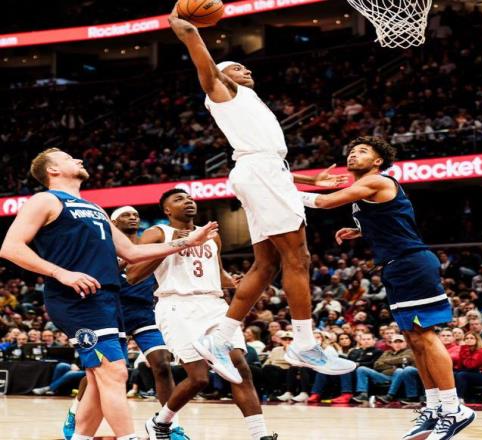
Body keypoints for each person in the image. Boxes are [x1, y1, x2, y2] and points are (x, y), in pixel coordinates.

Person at [167, 5, 355, 383]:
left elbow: (265, 159)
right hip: (260, 173)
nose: (246, 70)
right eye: (237, 67)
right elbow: (199, 53)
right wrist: (181, 23)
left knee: (265, 265)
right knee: (298, 257)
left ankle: (219, 339)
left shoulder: (248, 103)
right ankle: (304, 342)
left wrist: (309, 180)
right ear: (222, 75)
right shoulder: (221, 90)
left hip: (263, 172)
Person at [0, 148, 218, 440]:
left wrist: (188, 241)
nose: (78, 160)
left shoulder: (95, 208)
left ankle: (80, 437)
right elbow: (10, 247)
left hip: (109, 299)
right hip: (77, 298)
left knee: (98, 377)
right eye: (69, 158)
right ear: (53, 170)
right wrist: (61, 273)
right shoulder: (45, 200)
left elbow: (132, 252)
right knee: (115, 373)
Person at [300, 136, 475, 440]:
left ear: (378, 161)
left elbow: (324, 202)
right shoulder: (366, 192)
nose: (353, 155)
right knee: (414, 340)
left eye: (362, 151)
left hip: (412, 263)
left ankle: (453, 408)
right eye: (351, 151)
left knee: (426, 336)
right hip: (395, 267)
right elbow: (392, 219)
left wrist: (279, 191)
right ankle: (434, 407)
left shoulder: (377, 180)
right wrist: (360, 230)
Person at [126, 188, 276, 440]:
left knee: (240, 367)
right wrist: (176, 245)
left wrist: (235, 282)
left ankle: (260, 435)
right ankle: (160, 423)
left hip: (214, 305)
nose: (188, 201)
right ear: (167, 210)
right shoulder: (158, 233)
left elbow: (218, 274)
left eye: (190, 198)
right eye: (179, 199)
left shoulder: (211, 236)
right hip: (177, 306)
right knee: (199, 378)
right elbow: (133, 275)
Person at [62, 205, 189, 440]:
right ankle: (74, 412)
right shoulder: (105, 247)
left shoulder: (150, 247)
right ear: (113, 223)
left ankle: (169, 426)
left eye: (136, 215)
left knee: (162, 364)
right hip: (112, 313)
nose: (133, 218)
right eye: (126, 215)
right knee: (98, 373)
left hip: (143, 313)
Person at [454, 332, 482, 401]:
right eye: (466, 338)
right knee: (453, 374)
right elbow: (460, 366)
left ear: (477, 340)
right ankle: (450, 397)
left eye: (471, 338)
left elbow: (471, 365)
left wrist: (464, 351)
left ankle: (460, 398)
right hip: (472, 373)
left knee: (462, 375)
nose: (468, 340)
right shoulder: (465, 349)